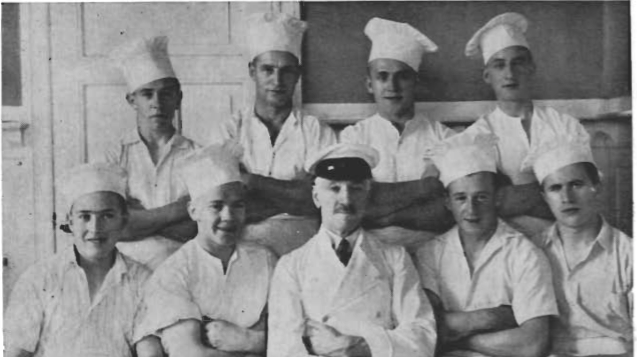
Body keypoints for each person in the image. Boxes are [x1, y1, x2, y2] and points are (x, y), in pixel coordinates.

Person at [267, 143, 437, 357]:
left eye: (356, 188)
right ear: (316, 196)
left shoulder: (394, 257)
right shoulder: (292, 265)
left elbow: (424, 340)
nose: (346, 199)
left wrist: (355, 347)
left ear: (368, 195)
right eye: (334, 188)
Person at [138, 144, 305, 357]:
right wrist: (257, 343)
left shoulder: (264, 259)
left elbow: (292, 336)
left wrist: (244, 340)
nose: (229, 216)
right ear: (194, 211)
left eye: (238, 205)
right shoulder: (173, 273)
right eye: (216, 206)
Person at [414, 132, 558, 357]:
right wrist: (490, 318)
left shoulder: (525, 254)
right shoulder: (429, 253)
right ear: (447, 202)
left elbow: (533, 344)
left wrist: (460, 334)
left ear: (498, 198)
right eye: (461, 198)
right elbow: (428, 331)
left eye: (481, 197)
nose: (471, 209)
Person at [4, 163, 163, 357]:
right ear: (69, 221)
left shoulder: (143, 280)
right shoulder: (40, 278)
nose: (95, 228)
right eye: (84, 216)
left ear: (123, 220)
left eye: (107, 215)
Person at [522, 136, 633, 357]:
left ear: (597, 186)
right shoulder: (530, 252)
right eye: (555, 188)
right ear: (544, 197)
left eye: (576, 184)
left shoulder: (628, 255)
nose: (567, 198)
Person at [215, 12, 337, 256]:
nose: (277, 80)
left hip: (304, 246)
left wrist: (251, 182)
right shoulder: (229, 130)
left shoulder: (316, 131)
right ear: (252, 71)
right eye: (267, 69)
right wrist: (295, 194)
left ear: (298, 75)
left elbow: (320, 200)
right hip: (242, 246)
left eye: (286, 71)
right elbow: (222, 201)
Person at [463, 12, 591, 237]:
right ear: (487, 76)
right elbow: (481, 207)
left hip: (569, 237)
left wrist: (509, 194)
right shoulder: (476, 135)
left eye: (518, 63)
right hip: (507, 243)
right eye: (499, 65)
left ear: (531, 68)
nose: (510, 74)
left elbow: (586, 195)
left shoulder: (566, 126)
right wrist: (548, 191)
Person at [339, 17, 456, 251]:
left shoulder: (446, 139)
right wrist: (426, 187)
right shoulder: (353, 138)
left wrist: (376, 203)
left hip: (432, 251)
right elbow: (351, 206)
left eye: (402, 76)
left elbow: (445, 212)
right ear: (370, 84)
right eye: (382, 76)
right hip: (368, 251)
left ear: (416, 82)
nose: (392, 86)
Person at [101, 35, 198, 270]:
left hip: (181, 269)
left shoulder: (198, 156)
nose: (157, 102)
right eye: (147, 94)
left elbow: (197, 227)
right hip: (124, 270)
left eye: (166, 94)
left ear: (178, 98)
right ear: (132, 100)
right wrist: (179, 210)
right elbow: (109, 225)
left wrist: (136, 217)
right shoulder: (114, 156)